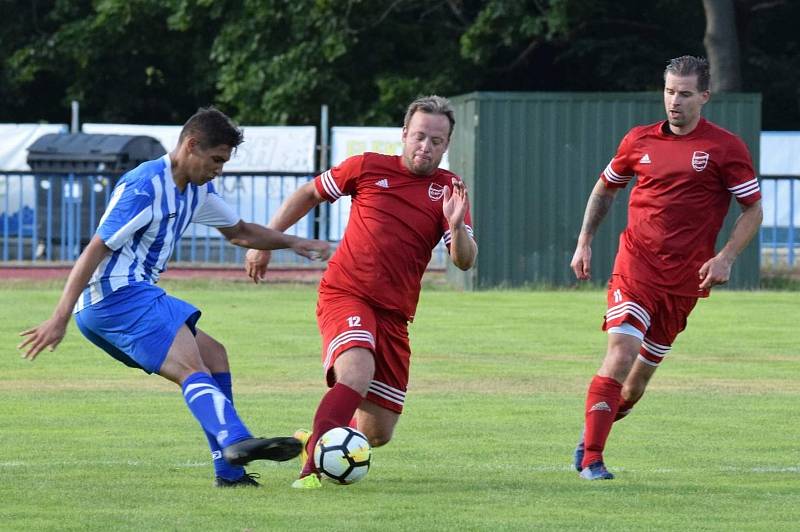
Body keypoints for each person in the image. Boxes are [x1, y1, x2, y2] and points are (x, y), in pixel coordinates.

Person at [18, 107, 332, 488]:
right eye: (216, 159)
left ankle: (230, 472)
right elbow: (95, 248)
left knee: (214, 356)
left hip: (129, 299)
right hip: (117, 297)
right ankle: (235, 440)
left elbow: (240, 232)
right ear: (191, 145)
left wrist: (294, 242)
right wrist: (59, 315)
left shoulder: (197, 191)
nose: (219, 169)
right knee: (192, 369)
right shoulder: (144, 185)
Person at [245, 95, 478, 489]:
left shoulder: (449, 189)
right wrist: (266, 242)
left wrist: (455, 226)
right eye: (420, 136)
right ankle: (312, 471)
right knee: (356, 371)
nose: (426, 147)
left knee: (377, 432)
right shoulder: (368, 167)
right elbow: (309, 194)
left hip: (395, 314)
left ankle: (315, 440)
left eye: (437, 141)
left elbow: (464, 261)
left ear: (447, 144)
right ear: (404, 134)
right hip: (346, 292)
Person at [569, 56, 763, 480]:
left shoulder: (725, 148)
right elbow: (605, 188)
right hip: (635, 267)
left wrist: (726, 255)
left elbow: (753, 209)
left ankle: (590, 434)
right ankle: (593, 460)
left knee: (635, 386)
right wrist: (584, 241)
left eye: (685, 93)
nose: (674, 101)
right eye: (670, 91)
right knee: (620, 353)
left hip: (684, 281)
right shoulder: (638, 141)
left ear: (704, 97)